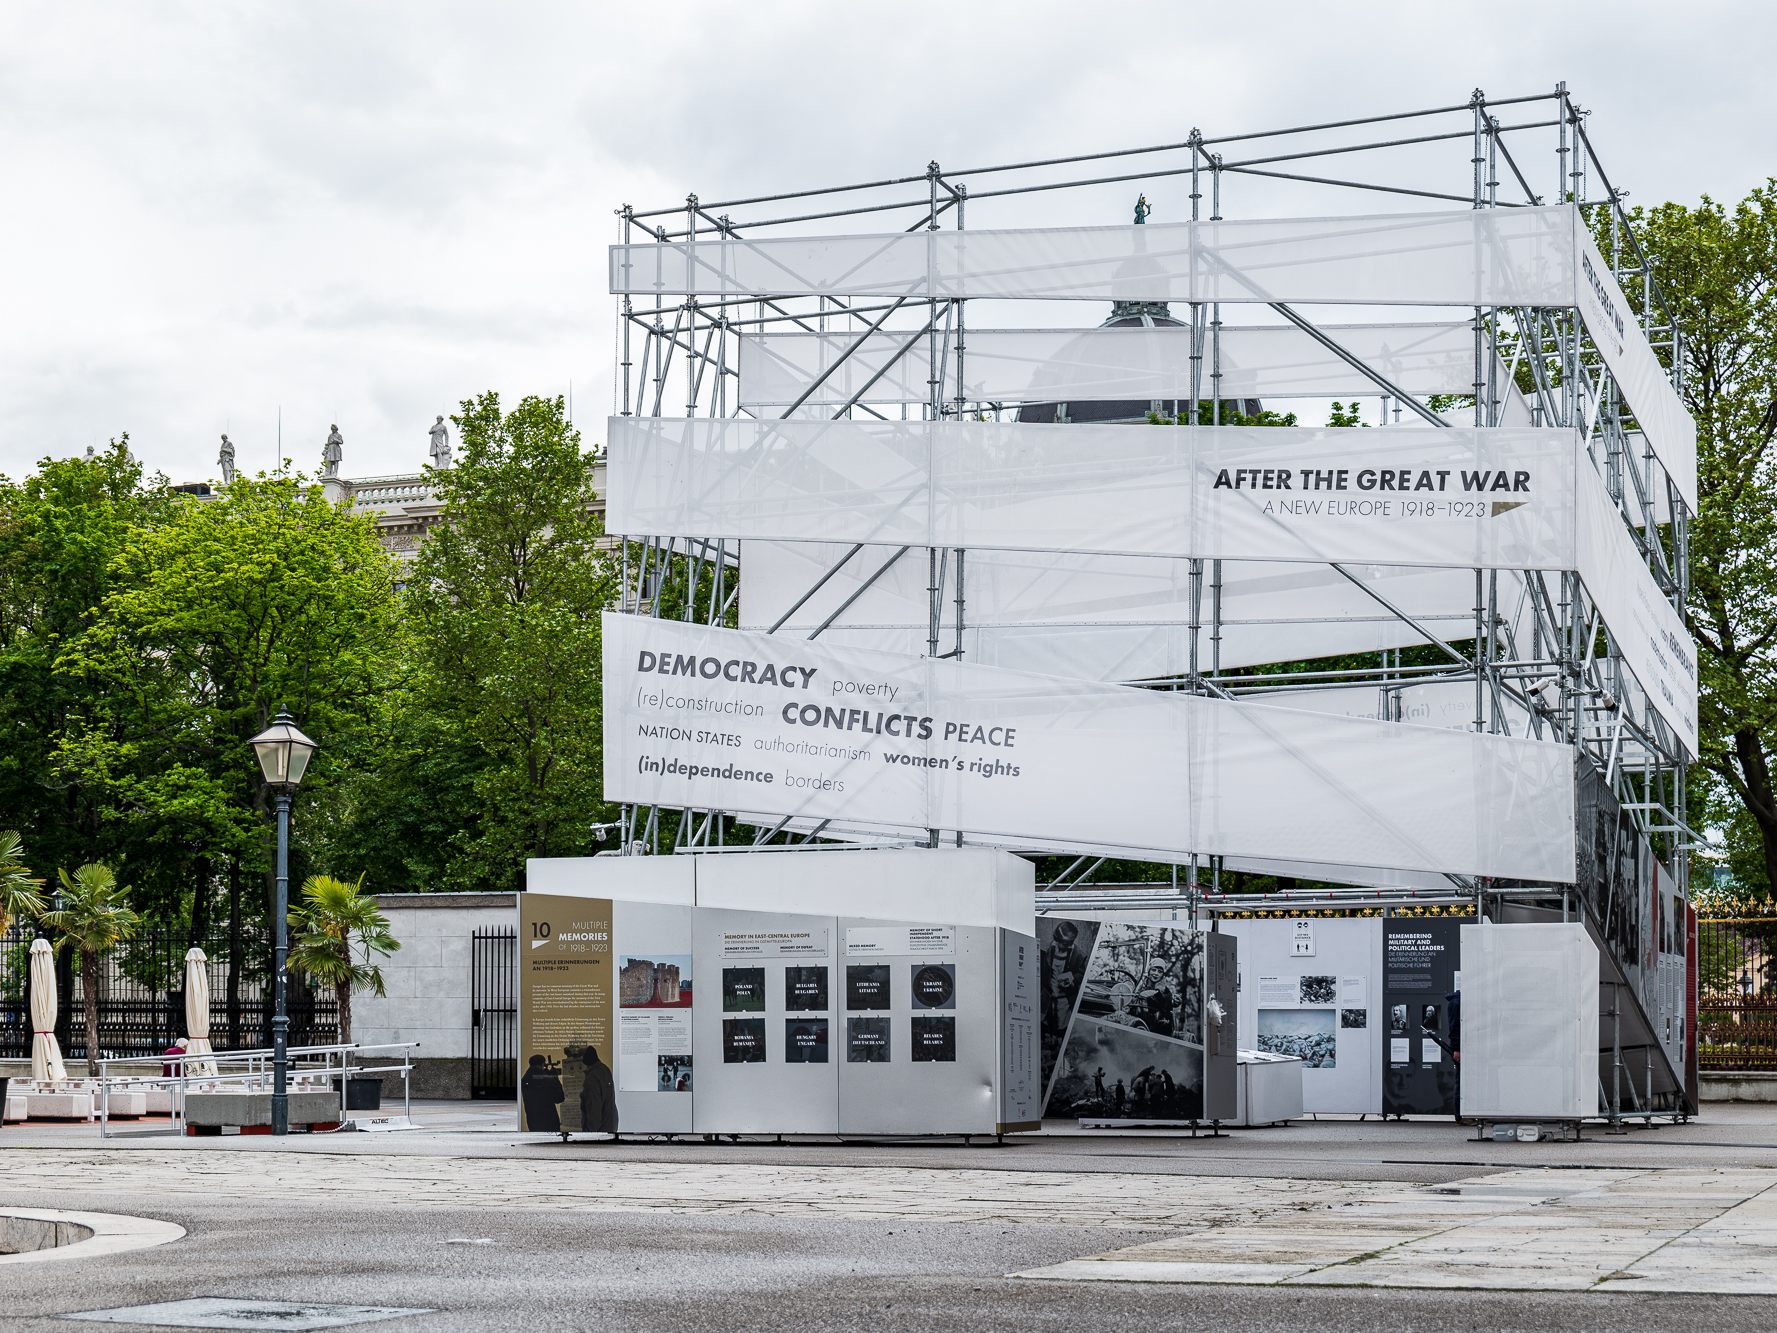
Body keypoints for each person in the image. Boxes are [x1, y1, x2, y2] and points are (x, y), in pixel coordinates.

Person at [579, 1046, 618, 1136]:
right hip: (610, 1124)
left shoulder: (592, 1078)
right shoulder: (605, 1070)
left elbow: (594, 1109)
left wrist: (589, 1134)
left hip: (600, 1128)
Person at [520, 1054, 564, 1132]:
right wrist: (554, 1078)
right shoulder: (547, 1079)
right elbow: (559, 1098)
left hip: (533, 1121)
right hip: (549, 1121)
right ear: (542, 1064)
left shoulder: (524, 1080)